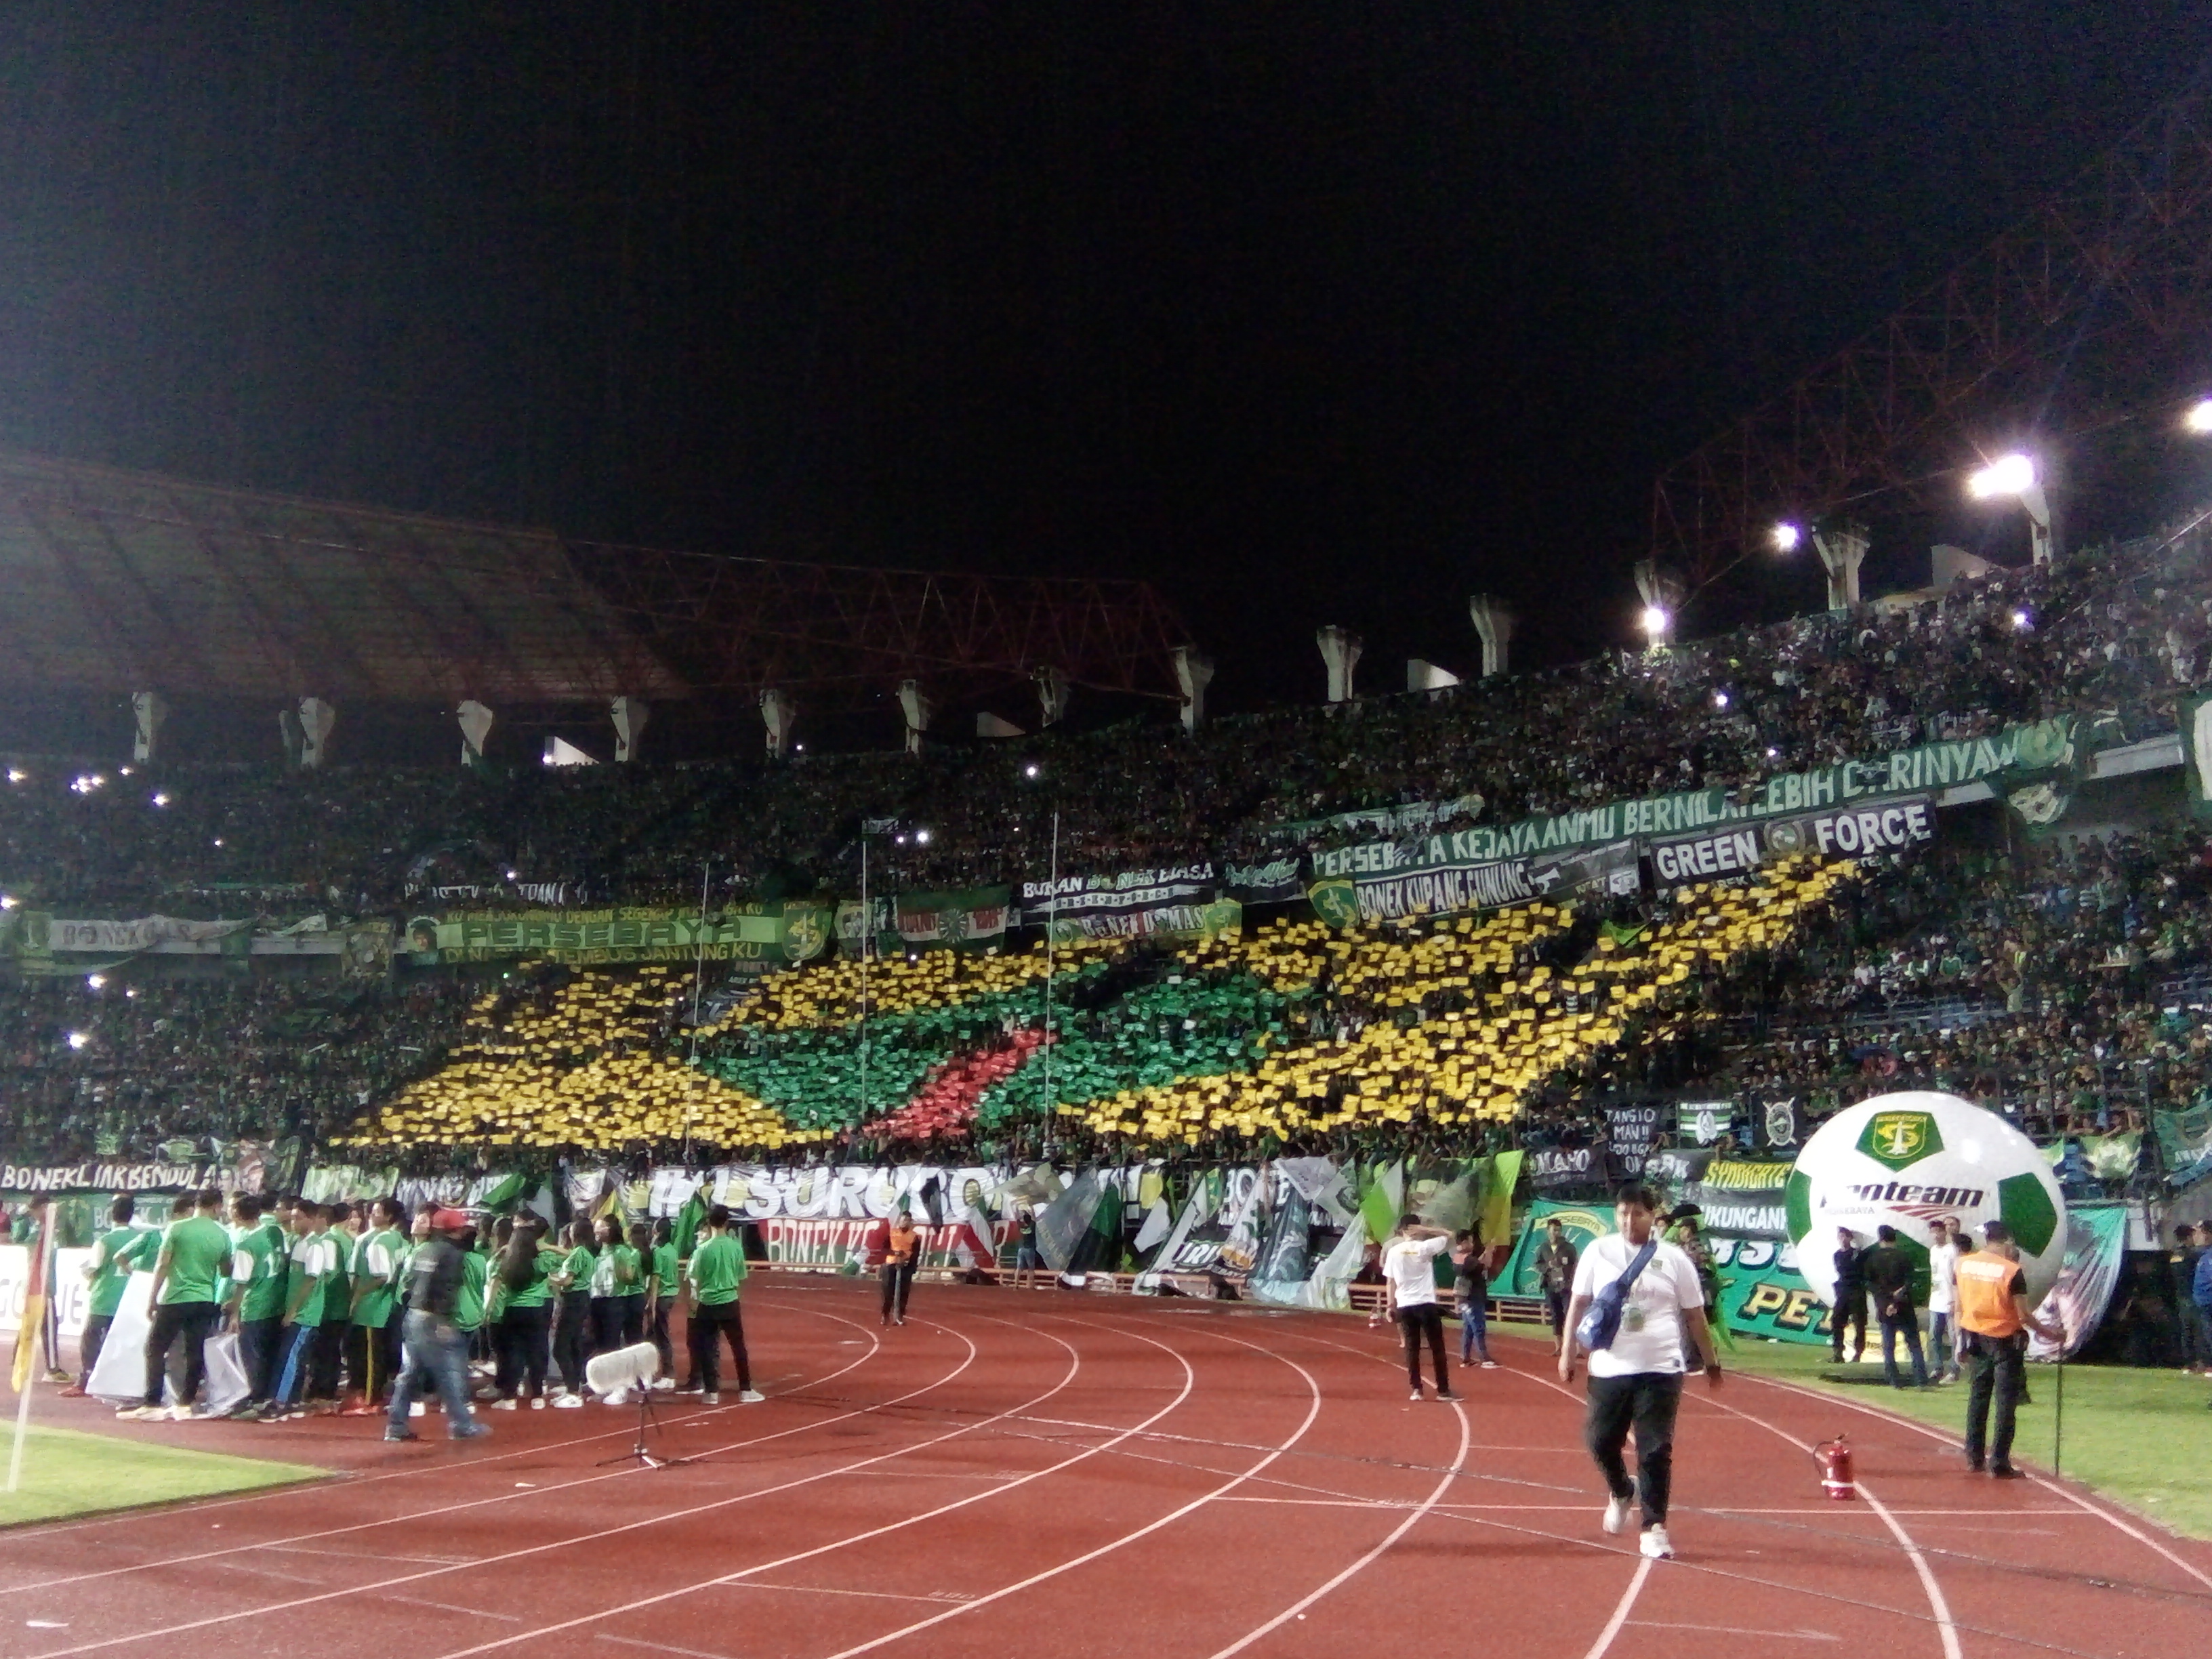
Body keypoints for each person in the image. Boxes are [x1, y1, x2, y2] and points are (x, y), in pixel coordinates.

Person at [1559, 1184, 1721, 1562]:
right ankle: (1621, 1490)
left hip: (1661, 1367)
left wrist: (1712, 1363)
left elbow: (1695, 1314)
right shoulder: (1598, 1251)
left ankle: (1654, 1528)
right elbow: (1579, 1303)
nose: (1629, 1221)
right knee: (1600, 1441)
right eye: (1622, 1213)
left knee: (1655, 1448)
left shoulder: (1674, 1258)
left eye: (1638, 1213)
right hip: (1609, 1366)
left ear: (1653, 1215)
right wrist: (1568, 1352)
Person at [1955, 1220, 2056, 1476]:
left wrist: (1959, 1339)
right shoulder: (2011, 1271)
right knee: (2004, 1402)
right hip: (2004, 1340)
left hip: (1975, 1336)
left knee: (1978, 1398)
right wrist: (2050, 1334)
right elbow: (2023, 1315)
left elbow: (1959, 1305)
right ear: (2008, 1240)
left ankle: (1973, 1456)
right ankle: (1998, 1462)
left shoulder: (1964, 1264)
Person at [123, 1187, 232, 1422]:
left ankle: (153, 1402)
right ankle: (186, 1402)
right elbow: (226, 1270)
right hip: (204, 1298)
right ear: (216, 1206)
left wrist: (152, 1298)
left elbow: (162, 1265)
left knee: (155, 1348)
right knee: (194, 1351)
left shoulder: (177, 1228)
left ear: (196, 1204)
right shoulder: (223, 1235)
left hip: (176, 1297)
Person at [384, 1208, 493, 1443]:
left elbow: (410, 1282)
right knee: (452, 1372)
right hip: (434, 1319)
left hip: (414, 1314)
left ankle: (396, 1425)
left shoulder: (423, 1250)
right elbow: (445, 1288)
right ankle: (461, 1424)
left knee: (410, 1373)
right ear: (455, 1230)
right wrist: (443, 1319)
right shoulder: (453, 1254)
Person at [64, 1196, 151, 1397]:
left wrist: (87, 1273)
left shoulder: (105, 1240)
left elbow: (93, 1267)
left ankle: (87, 1380)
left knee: (91, 1339)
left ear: (111, 1214)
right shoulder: (141, 1237)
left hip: (105, 1298)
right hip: (130, 1297)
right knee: (126, 1342)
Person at [684, 1204, 764, 1405]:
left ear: (709, 1223)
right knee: (738, 1347)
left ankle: (711, 1392)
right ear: (727, 1222)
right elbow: (740, 1277)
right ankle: (745, 1389)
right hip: (729, 1301)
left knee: (707, 1348)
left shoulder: (701, 1250)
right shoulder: (736, 1247)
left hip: (708, 1303)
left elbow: (695, 1279)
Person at [1382, 1214, 1460, 1402]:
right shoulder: (1424, 1247)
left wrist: (1390, 1305)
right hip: (1425, 1303)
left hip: (1405, 1305)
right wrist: (1428, 1230)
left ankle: (1417, 1389)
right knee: (1437, 1348)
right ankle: (1443, 1390)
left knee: (1412, 1348)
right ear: (1417, 1228)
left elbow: (1390, 1281)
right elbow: (1451, 1235)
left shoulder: (1394, 1251)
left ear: (1401, 1230)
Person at [225, 1193, 287, 1415]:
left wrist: (234, 1314)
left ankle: (255, 1400)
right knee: (270, 1354)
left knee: (252, 1357)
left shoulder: (246, 1243)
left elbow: (241, 1283)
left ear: (238, 1214)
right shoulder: (276, 1233)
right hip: (276, 1302)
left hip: (255, 1306)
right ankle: (268, 1399)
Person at [344, 1197, 408, 1414]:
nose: (371, 1214)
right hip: (388, 1304)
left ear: (389, 1216)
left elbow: (380, 1276)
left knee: (368, 1354)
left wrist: (357, 1295)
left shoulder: (372, 1241)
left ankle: (371, 1397)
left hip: (371, 1307)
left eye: (377, 1211)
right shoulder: (399, 1239)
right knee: (377, 1352)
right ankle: (372, 1393)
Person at [488, 1215, 555, 1410]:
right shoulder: (542, 1261)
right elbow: (568, 1256)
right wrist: (548, 1247)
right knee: (537, 1352)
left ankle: (510, 1397)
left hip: (511, 1311)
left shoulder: (504, 1261)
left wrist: (488, 1311)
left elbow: (492, 1278)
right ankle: (537, 1396)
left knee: (512, 1355)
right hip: (536, 1310)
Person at [1863, 1225, 1929, 1389]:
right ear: (1895, 1238)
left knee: (1889, 1346)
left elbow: (1869, 1283)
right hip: (1904, 1305)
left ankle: (1894, 1380)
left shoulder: (1873, 1258)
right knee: (1914, 1345)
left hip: (1884, 1307)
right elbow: (1910, 1280)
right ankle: (1921, 1379)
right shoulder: (1903, 1257)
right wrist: (1897, 1298)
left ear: (1880, 1239)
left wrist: (1887, 1301)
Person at [550, 1219, 596, 1406]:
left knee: (561, 1347)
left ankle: (572, 1389)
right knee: (574, 1344)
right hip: (582, 1299)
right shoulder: (588, 1254)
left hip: (573, 1300)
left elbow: (567, 1280)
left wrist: (550, 1278)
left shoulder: (578, 1253)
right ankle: (574, 1386)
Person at [588, 1215, 641, 1359]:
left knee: (611, 1343)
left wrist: (622, 1271)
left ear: (611, 1230)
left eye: (601, 1227)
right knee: (598, 1342)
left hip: (614, 1301)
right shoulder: (596, 1250)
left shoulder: (621, 1251)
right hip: (596, 1299)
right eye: (596, 1228)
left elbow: (629, 1277)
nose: (597, 1231)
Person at [1926, 1218, 1964, 1385]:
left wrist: (1956, 1299)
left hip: (1950, 1299)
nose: (1935, 1235)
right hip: (1936, 1299)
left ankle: (1954, 1370)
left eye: (1937, 1231)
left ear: (1943, 1232)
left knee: (1954, 1336)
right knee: (1934, 1336)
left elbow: (1957, 1275)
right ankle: (1937, 1367)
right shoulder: (1933, 1250)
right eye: (1932, 1232)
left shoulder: (1952, 1250)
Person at [1534, 1218, 1578, 1357]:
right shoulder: (1543, 1248)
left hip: (1566, 1287)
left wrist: (1572, 1279)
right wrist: (1548, 1266)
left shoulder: (1569, 1247)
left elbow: (1576, 1265)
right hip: (1551, 1287)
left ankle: (1575, 1348)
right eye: (1553, 1230)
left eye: (1558, 1230)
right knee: (1555, 1316)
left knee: (1569, 1316)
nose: (1556, 1233)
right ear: (1548, 1231)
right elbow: (1537, 1264)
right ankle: (1558, 1347)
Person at [1451, 1231, 1495, 1368]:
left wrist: (1486, 1252)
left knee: (1468, 1328)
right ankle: (1484, 1357)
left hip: (1464, 1297)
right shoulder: (1468, 1259)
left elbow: (1478, 1263)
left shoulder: (1458, 1257)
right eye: (1469, 1241)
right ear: (1463, 1243)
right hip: (1473, 1297)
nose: (1472, 1244)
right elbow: (1485, 1264)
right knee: (1478, 1327)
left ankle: (1465, 1357)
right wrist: (1490, 1251)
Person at [2169, 1223, 2207, 1376]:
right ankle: (2203, 1363)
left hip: (2181, 1296)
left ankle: (2188, 1364)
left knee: (2186, 1331)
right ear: (2188, 1237)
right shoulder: (2193, 1255)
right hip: (2194, 1296)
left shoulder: (2174, 1255)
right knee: (2201, 1331)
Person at [647, 1219, 679, 1386]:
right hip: (671, 1293)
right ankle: (655, 1372)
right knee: (654, 1335)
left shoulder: (658, 1252)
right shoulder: (672, 1250)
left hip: (661, 1296)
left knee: (660, 1335)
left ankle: (668, 1374)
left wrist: (651, 1304)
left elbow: (656, 1279)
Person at [1830, 1227, 1869, 1364]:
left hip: (1857, 1291)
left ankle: (1858, 1353)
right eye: (1840, 1236)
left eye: (1844, 1236)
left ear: (1850, 1238)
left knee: (1859, 1324)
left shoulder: (1857, 1254)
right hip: (1843, 1292)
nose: (1842, 1239)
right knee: (1836, 1321)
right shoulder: (1837, 1255)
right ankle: (1838, 1352)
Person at [880, 1204, 920, 1328]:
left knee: (904, 1292)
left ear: (910, 1222)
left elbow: (916, 1253)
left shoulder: (914, 1236)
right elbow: (885, 1248)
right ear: (900, 1221)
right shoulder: (892, 1233)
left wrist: (910, 1265)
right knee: (888, 1291)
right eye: (903, 1220)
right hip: (891, 1264)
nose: (905, 1222)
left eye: (907, 1220)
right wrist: (894, 1253)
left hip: (906, 1266)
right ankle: (885, 1314)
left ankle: (899, 1316)